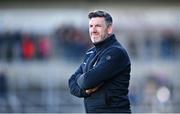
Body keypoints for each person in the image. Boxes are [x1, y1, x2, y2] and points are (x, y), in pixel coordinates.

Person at [68, 10, 131, 113]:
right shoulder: (90, 53)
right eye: (91, 26)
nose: (93, 30)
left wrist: (82, 80)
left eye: (98, 26)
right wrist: (85, 91)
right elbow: (71, 83)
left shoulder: (116, 52)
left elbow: (87, 81)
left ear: (109, 29)